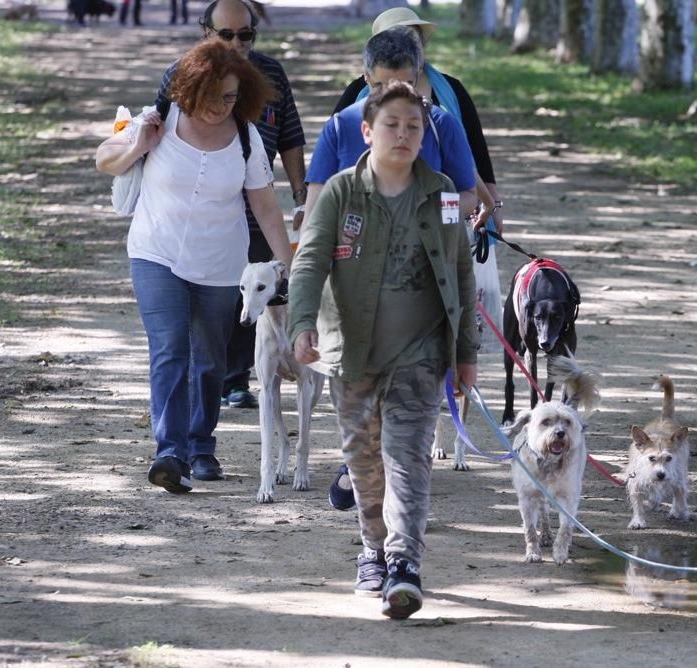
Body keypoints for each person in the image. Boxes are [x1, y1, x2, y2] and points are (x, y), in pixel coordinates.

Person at [289, 81, 478, 619]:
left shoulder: (442, 193)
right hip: (351, 354)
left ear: (424, 134)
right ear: (367, 131)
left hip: (421, 355)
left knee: (408, 457)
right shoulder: (342, 194)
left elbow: (462, 274)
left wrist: (466, 354)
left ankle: (404, 565)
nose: (403, 134)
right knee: (364, 461)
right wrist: (302, 322)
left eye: (413, 126)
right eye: (392, 125)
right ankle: (372, 548)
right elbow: (309, 262)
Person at [96, 40, 293, 492]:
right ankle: (170, 452)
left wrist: (286, 267)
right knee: (170, 349)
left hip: (221, 263)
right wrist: (137, 144)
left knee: (209, 358)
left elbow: (265, 206)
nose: (222, 106)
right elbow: (103, 158)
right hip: (156, 252)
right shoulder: (159, 120)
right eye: (212, 97)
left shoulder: (245, 138)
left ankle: (201, 445)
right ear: (190, 90)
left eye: (230, 97)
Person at [156, 0, 308, 410]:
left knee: (257, 289)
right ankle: (204, 382)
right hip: (200, 213)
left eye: (245, 35)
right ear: (206, 33)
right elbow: (157, 136)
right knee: (207, 304)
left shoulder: (272, 73)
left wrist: (300, 195)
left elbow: (291, 134)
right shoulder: (181, 75)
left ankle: (237, 378)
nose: (237, 43)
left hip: (256, 207)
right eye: (227, 34)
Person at [333, 7, 504, 234]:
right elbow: (323, 193)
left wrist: (441, 213)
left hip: (437, 241)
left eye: (412, 40)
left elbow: (471, 161)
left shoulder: (443, 116)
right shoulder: (343, 120)